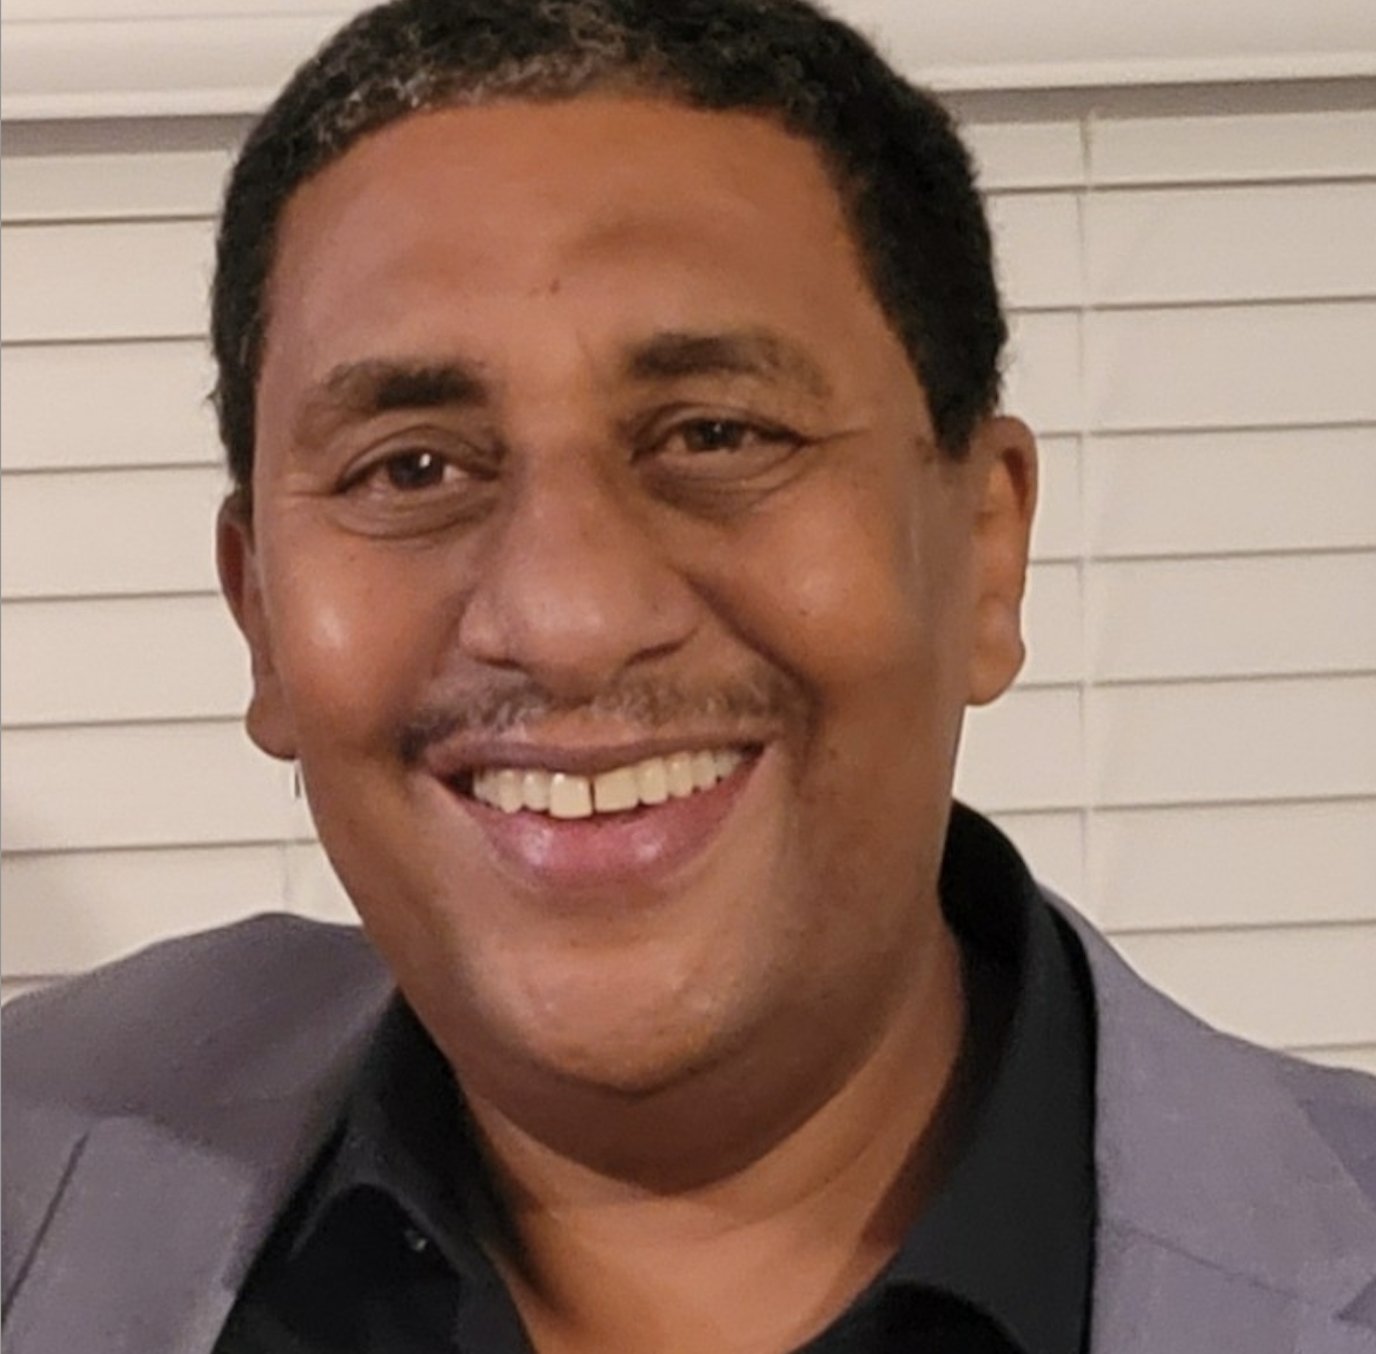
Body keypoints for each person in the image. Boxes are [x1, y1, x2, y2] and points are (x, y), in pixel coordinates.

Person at [4, 1, 1374, 1350]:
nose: (569, 618)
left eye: (718, 434)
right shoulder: (42, 1171)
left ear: (984, 546)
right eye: (411, 468)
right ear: (260, 614)